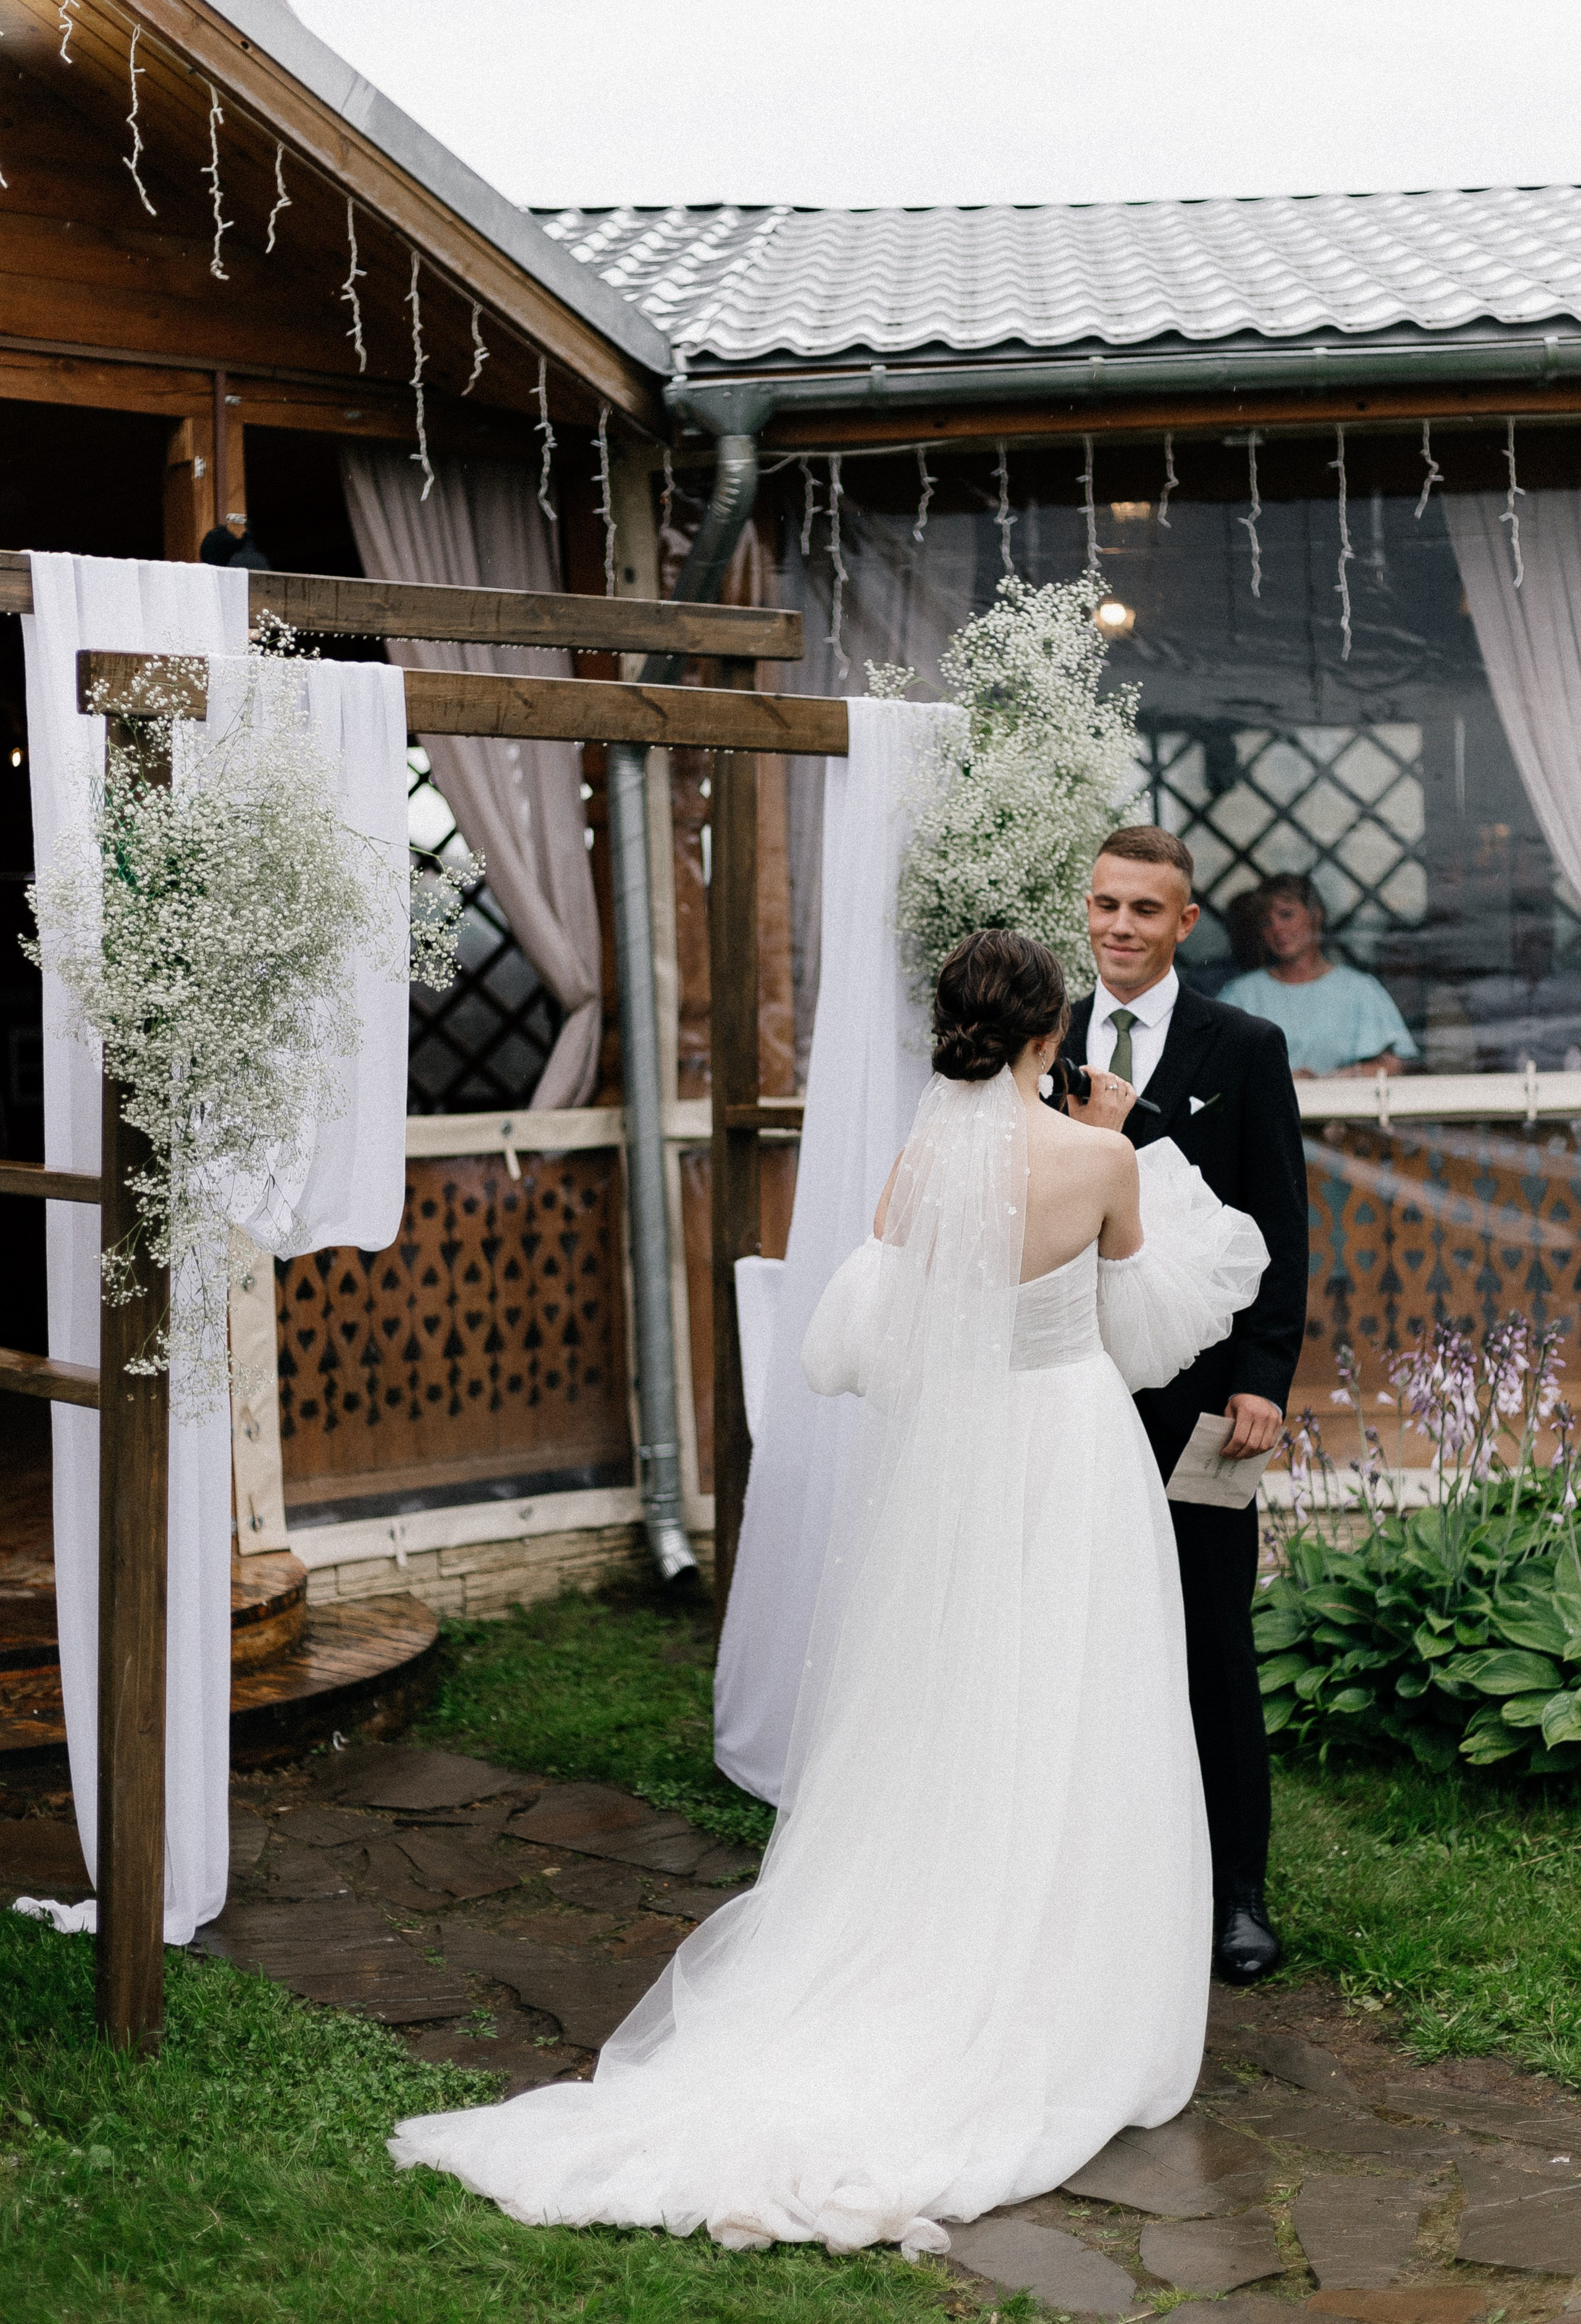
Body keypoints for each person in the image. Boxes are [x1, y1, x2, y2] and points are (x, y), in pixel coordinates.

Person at [390, 928, 1268, 2256]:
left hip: (958, 1460)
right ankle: (1062, 1976)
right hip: (1072, 1451)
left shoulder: (919, 1165)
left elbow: (864, 1339)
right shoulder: (1095, 1157)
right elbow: (1144, 1332)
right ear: (1049, 1036)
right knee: (1078, 1696)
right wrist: (1135, 1148)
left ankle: (930, 1935)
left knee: (948, 1696)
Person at [1062, 828, 1308, 1986]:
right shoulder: (1041, 1041)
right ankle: (1101, 1888)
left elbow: (1281, 1226)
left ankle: (1235, 1896)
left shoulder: (1245, 1047)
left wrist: (1264, 1378)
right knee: (1080, 1641)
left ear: (1185, 922)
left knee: (1213, 1642)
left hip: (1204, 1401)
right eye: (1106, 906)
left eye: (1144, 912)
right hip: (1068, 1395)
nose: (1120, 928)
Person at [1219, 874, 1419, 1077]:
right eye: (1266, 922)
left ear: (1316, 915)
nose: (1277, 928)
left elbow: (1394, 1065)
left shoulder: (1359, 988)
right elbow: (1216, 1068)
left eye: (1286, 915)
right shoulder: (1242, 994)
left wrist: (1337, 1078)